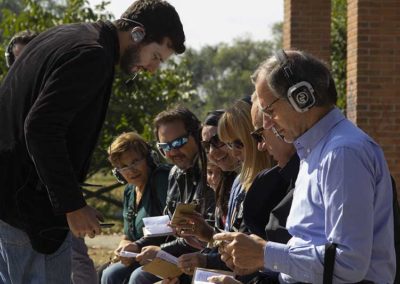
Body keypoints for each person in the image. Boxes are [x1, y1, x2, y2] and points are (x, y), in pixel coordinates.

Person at [0, 0, 185, 282]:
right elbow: (41, 128)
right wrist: (71, 205)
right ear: (137, 34)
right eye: (156, 56)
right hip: (30, 214)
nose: (152, 69)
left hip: (12, 203)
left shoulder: (66, 35)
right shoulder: (93, 55)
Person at [215, 50, 396, 283]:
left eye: (269, 111)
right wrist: (260, 262)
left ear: (302, 98)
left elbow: (347, 263)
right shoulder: (318, 151)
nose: (267, 123)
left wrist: (264, 254)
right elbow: (309, 252)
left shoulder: (342, 153)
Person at [119, 106, 215, 284]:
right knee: (113, 273)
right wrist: (138, 245)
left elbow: (208, 234)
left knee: (139, 278)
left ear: (197, 135)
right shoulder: (175, 173)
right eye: (165, 146)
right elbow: (168, 224)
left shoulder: (211, 172)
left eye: (178, 143)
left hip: (206, 258)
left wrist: (161, 250)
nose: (173, 152)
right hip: (180, 255)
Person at [100, 132, 170, 283]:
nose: (131, 170)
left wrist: (137, 247)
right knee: (109, 274)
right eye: (123, 167)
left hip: (166, 252)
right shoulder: (129, 191)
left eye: (135, 162)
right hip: (139, 256)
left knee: (138, 277)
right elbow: (127, 235)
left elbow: (171, 223)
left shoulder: (161, 180)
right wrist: (123, 247)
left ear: (149, 159)